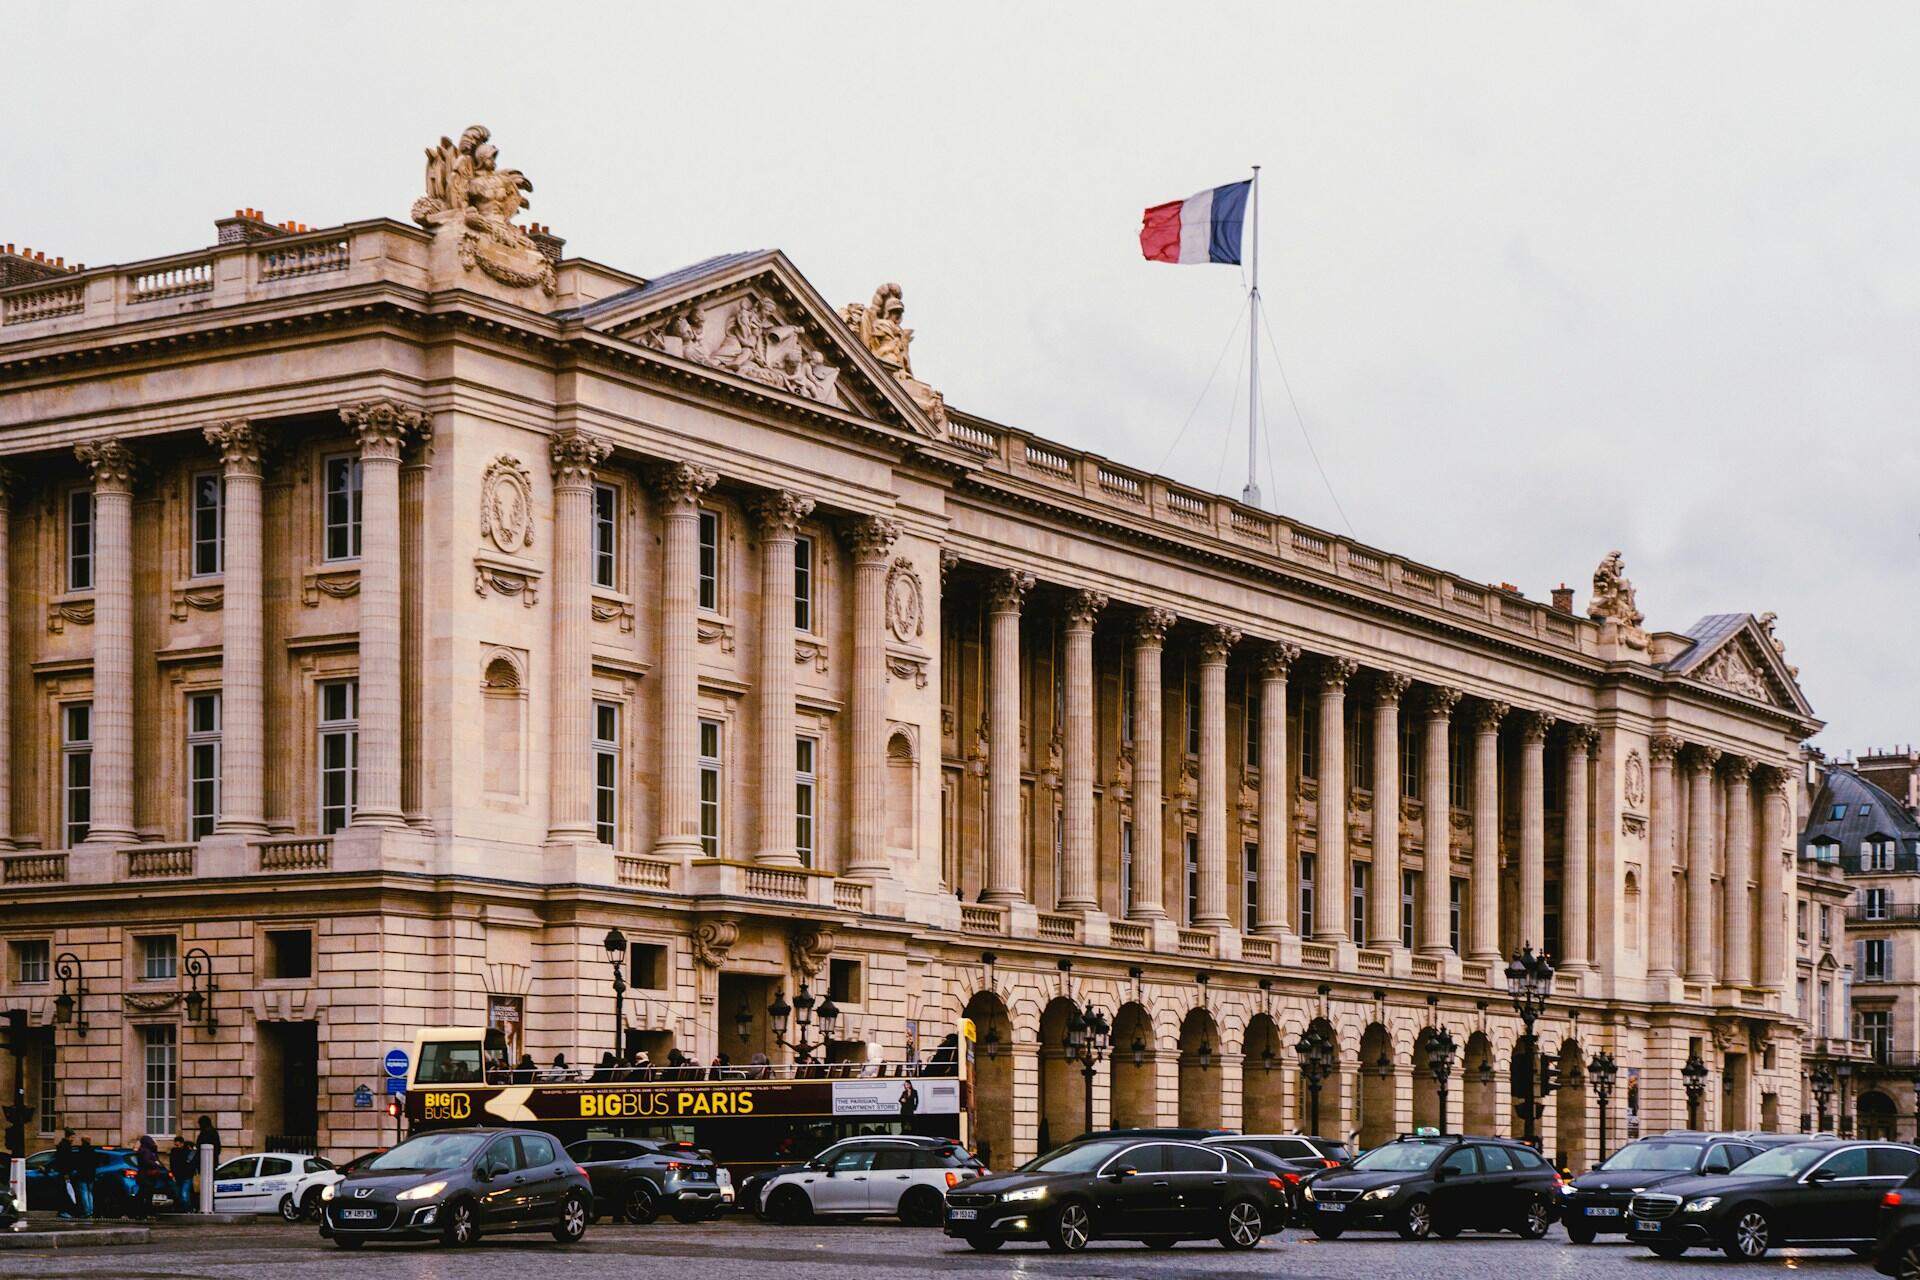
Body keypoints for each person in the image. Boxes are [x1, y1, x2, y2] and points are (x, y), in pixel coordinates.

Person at [130, 1135, 163, 1220]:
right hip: (147, 1176)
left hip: (145, 1176)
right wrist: (156, 1164)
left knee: (143, 1195)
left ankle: (141, 1213)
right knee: (146, 1195)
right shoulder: (146, 1151)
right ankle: (143, 1214)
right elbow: (147, 1161)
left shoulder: (144, 1150)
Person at [52, 1130, 77, 1219]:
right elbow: (64, 1161)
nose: (73, 1139)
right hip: (65, 1173)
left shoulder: (65, 1146)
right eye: (72, 1137)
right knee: (65, 1192)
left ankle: (65, 1211)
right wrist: (67, 1173)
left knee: (66, 1192)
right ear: (68, 1137)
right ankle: (63, 1211)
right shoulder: (65, 1147)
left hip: (64, 1172)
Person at [73, 1137, 100, 1218]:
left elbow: (78, 1163)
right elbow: (96, 1163)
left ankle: (87, 1211)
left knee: (84, 1192)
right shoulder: (92, 1151)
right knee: (89, 1193)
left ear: (82, 1141)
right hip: (91, 1175)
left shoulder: (81, 1151)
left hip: (82, 1175)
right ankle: (91, 1210)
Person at [168, 1137, 197, 1211]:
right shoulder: (188, 1152)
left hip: (184, 1176)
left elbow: (173, 1164)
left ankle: (187, 1210)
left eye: (178, 1144)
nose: (177, 1146)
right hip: (182, 1176)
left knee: (183, 1194)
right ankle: (187, 1209)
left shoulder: (176, 1152)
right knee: (182, 1194)